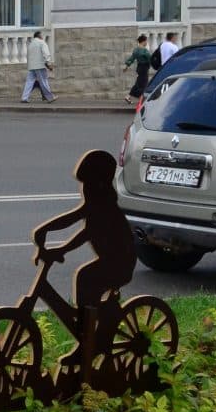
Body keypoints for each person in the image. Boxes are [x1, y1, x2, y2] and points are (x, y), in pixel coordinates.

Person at [31, 150, 137, 378]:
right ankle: (90, 332)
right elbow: (83, 228)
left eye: (87, 184)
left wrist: (50, 236)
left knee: (86, 278)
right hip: (109, 260)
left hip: (119, 263)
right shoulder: (96, 203)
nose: (84, 189)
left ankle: (93, 333)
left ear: (98, 184)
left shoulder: (104, 206)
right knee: (85, 281)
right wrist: (56, 243)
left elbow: (79, 225)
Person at [22, 30, 54, 102]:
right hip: (40, 66)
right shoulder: (42, 42)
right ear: (39, 36)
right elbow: (46, 54)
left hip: (31, 67)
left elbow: (28, 56)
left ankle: (24, 98)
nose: (42, 36)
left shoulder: (30, 44)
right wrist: (48, 63)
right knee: (44, 81)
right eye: (42, 35)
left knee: (29, 82)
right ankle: (50, 97)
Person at [124, 34, 154, 103]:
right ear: (143, 41)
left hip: (139, 68)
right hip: (144, 68)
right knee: (143, 84)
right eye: (146, 41)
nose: (146, 43)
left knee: (138, 83)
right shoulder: (144, 51)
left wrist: (126, 66)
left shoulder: (136, 50)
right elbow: (150, 59)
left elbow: (131, 59)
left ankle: (129, 96)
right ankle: (141, 99)